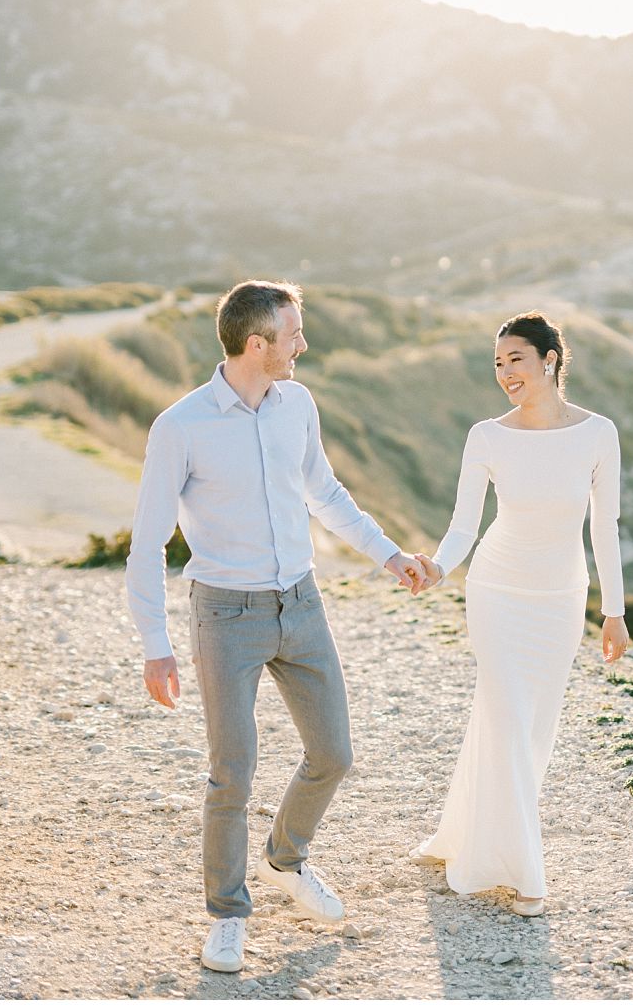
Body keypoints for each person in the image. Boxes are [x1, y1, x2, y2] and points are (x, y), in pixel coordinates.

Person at [125, 280, 428, 973]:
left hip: (303, 603)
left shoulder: (299, 405)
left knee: (335, 754)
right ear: (256, 345)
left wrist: (389, 555)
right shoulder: (181, 426)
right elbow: (147, 543)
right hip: (224, 613)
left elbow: (326, 491)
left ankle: (286, 858)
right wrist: (155, 645)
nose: (304, 345)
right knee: (232, 774)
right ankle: (227, 914)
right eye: (294, 335)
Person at [412, 310, 629, 916]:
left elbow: (604, 528)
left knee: (532, 730)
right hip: (498, 591)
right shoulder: (487, 435)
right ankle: (524, 871)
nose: (506, 372)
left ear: (550, 360)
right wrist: (437, 566)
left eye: (517, 360)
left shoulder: (597, 433)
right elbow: (463, 526)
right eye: (498, 362)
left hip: (561, 600)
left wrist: (613, 611)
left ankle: (468, 833)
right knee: (507, 715)